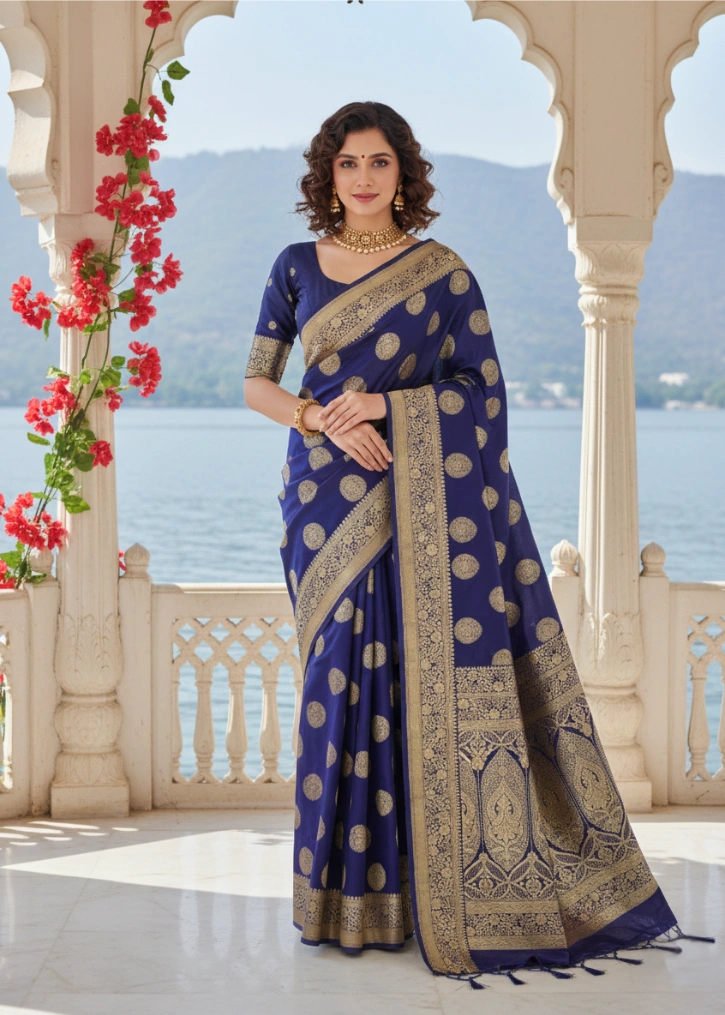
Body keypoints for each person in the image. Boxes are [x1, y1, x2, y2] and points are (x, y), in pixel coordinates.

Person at [242, 101, 700, 984]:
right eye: (348, 163)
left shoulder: (442, 274)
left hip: (416, 496)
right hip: (323, 502)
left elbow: (480, 396)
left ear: (403, 174)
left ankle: (426, 890)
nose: (363, 178)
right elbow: (256, 382)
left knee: (414, 684)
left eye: (379, 162)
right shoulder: (295, 265)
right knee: (336, 684)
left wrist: (384, 406)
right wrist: (318, 418)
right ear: (327, 175)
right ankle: (342, 897)